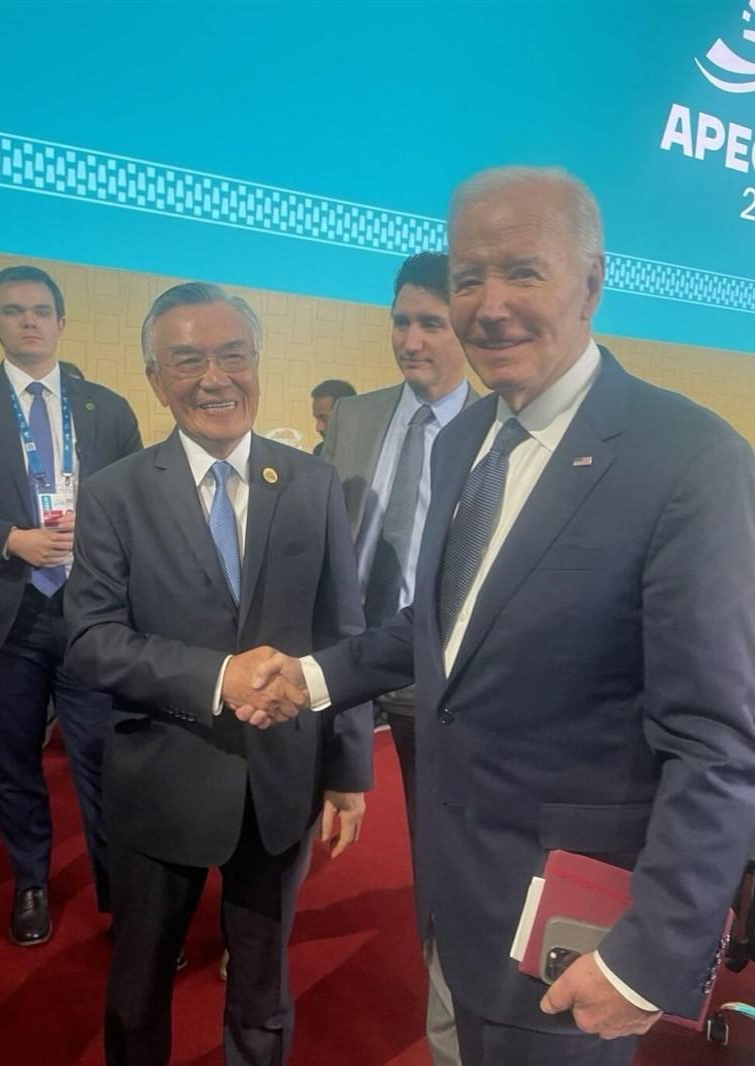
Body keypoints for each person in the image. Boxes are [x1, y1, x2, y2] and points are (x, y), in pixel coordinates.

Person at [237, 166, 755, 1066]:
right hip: (451, 882)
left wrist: (648, 956)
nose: (490, 305)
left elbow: (717, 744)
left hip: (579, 928)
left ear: (592, 282)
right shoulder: (470, 439)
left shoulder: (690, 460)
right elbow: (441, 628)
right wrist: (315, 676)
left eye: (524, 271)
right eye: (469, 277)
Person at [63, 281, 372, 1066]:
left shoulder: (310, 484)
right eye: (188, 360)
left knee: (263, 991)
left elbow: (344, 633)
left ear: (257, 364)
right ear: (156, 379)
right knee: (137, 990)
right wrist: (216, 678)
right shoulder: (114, 494)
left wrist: (348, 769)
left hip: (279, 782)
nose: (215, 378)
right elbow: (93, 641)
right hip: (160, 780)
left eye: (233, 355)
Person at [0, 264, 142, 946]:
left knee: (102, 759)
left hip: (89, 613)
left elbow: (137, 510)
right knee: (14, 763)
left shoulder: (107, 408)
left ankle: (122, 895)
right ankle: (31, 883)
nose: (28, 321)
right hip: (1, 614)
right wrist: (10, 540)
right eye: (13, 311)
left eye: (40, 310)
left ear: (63, 322)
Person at [321, 250, 477, 1064]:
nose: (411, 340)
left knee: (437, 845)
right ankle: (257, 936)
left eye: (431, 324)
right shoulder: (354, 417)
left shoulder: (495, 433)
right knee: (288, 812)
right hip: (344, 659)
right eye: (400, 321)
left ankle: (444, 993)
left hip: (433, 677)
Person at [310, 378, 356, 455]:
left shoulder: (372, 452)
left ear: (347, 415)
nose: (318, 428)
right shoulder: (320, 451)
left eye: (324, 419)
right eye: (317, 419)